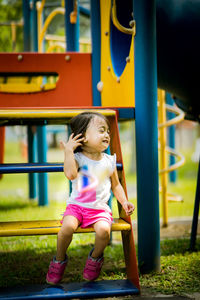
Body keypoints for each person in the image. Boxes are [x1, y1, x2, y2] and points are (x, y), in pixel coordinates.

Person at [46, 111, 135, 285]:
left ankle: (95, 259)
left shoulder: (109, 161)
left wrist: (124, 201)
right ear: (83, 137)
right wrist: (68, 151)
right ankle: (59, 260)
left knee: (104, 231)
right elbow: (70, 174)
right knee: (66, 229)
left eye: (108, 131)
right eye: (101, 130)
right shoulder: (78, 158)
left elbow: (116, 185)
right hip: (77, 207)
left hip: (99, 210)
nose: (107, 134)